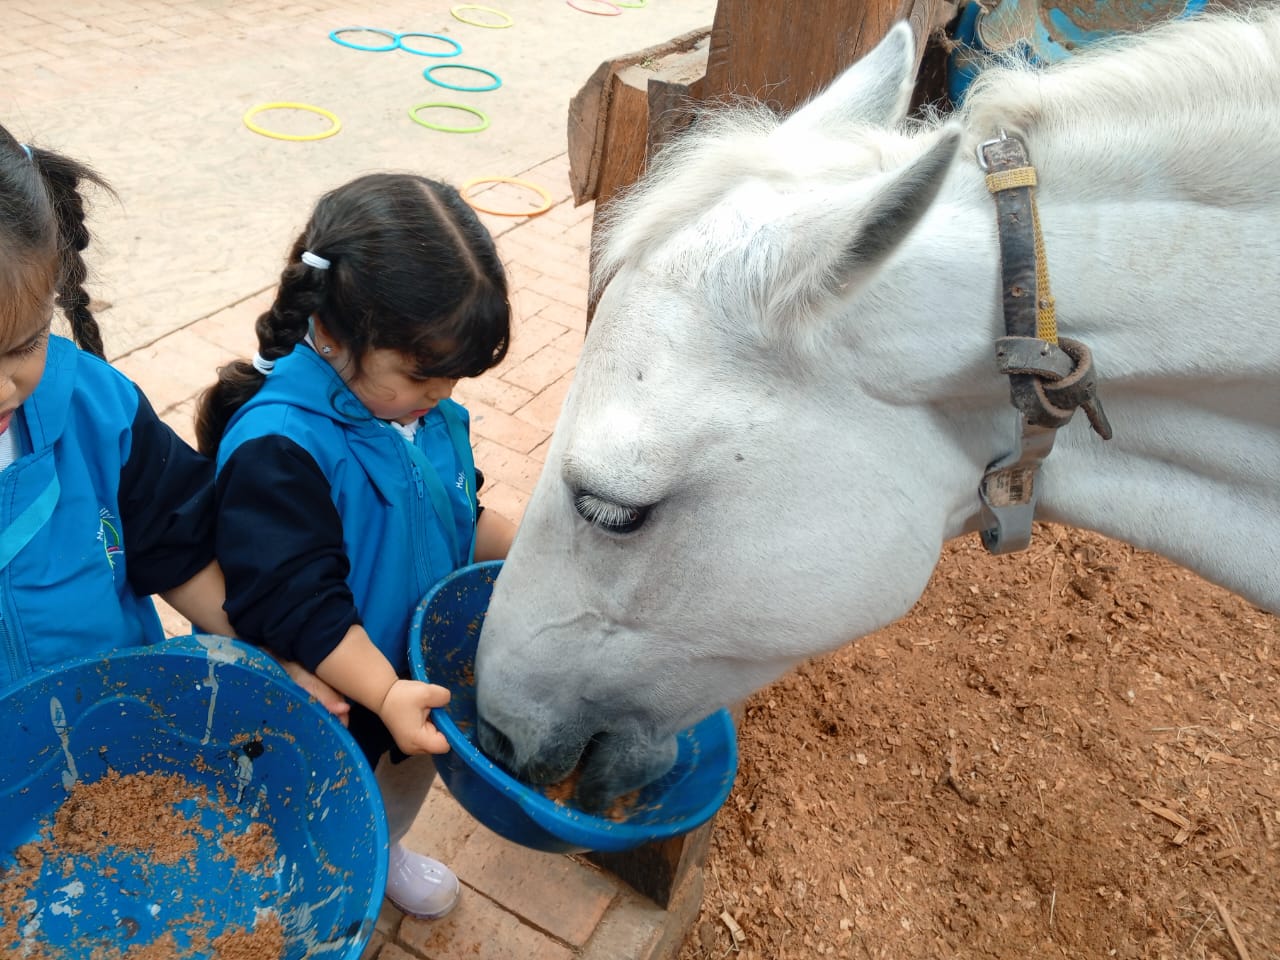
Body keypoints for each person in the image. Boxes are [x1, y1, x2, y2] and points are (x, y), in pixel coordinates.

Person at [195, 172, 517, 920]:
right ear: (334, 336)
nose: (441, 393)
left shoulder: (421, 412)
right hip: (333, 696)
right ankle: (310, 890)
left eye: (453, 377)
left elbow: (458, 512)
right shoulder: (282, 446)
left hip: (405, 683)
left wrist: (536, 552)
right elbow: (300, 604)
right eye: (422, 374)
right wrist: (381, 692)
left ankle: (383, 849)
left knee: (399, 787)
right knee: (310, 807)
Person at [0, 126, 235, 690]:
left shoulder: (98, 410)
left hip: (117, 733)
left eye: (24, 344)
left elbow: (179, 548)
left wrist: (288, 658)